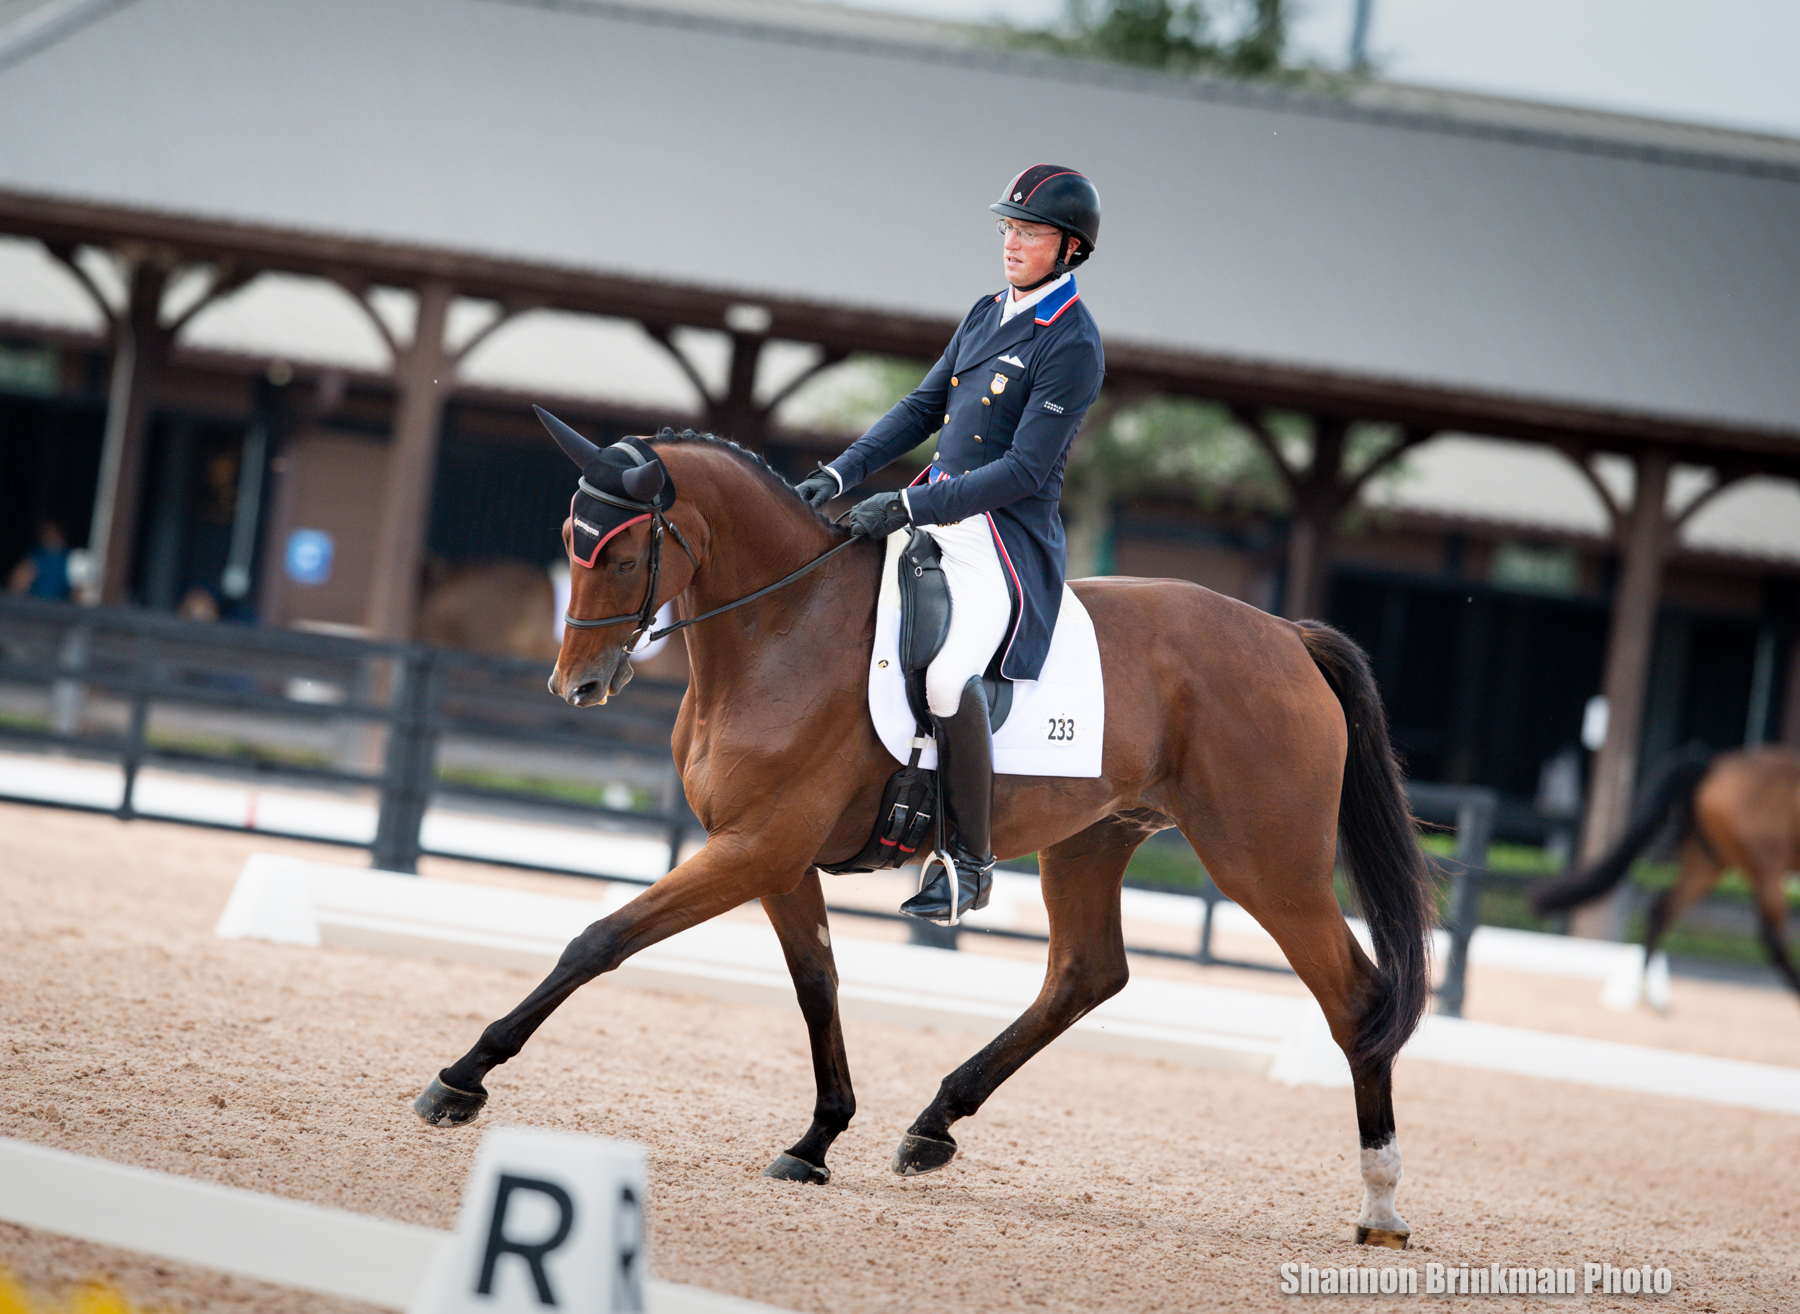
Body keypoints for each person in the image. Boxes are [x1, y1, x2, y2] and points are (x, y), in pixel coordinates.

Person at [794, 166, 1105, 923]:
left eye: (1028, 233)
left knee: (945, 677)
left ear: (1069, 249)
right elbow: (921, 407)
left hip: (1001, 538)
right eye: (1007, 229)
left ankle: (970, 862)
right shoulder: (985, 313)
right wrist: (837, 476)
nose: (1011, 243)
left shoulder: (1072, 342)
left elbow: (1024, 470)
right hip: (934, 509)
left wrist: (905, 502)